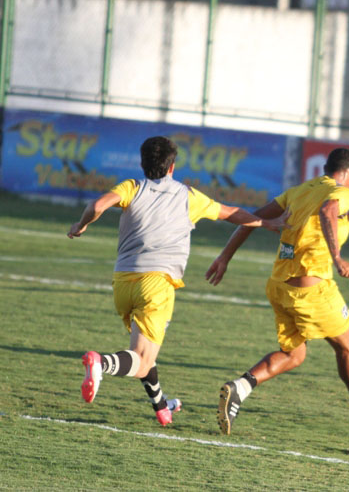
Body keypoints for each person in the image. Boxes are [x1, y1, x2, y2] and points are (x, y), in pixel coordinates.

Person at [68, 136, 288, 426]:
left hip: (123, 282)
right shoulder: (188, 196)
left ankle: (162, 407)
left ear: (142, 163)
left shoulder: (131, 187)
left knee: (147, 350)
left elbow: (97, 205)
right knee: (141, 357)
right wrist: (264, 222)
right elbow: (229, 213)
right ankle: (101, 363)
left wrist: (81, 225)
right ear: (172, 167)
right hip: (156, 285)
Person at [205, 147, 349, 435]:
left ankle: (239, 388)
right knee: (347, 344)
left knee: (294, 354)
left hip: (279, 286)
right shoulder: (343, 192)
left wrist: (224, 256)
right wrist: (337, 258)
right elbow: (328, 210)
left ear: (325, 167)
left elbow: (252, 218)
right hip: (311, 289)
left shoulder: (298, 191)